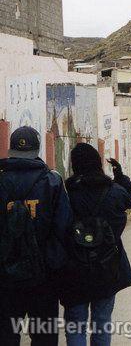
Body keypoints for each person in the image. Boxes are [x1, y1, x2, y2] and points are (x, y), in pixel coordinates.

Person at [0, 126, 72, 346]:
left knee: (6, 334)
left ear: (11, 149)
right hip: (44, 276)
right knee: (44, 336)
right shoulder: (52, 181)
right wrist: (54, 262)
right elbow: (64, 227)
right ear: (37, 150)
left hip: (5, 275)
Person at [61, 143, 131, 346]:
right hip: (107, 268)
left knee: (76, 325)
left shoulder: (66, 194)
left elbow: (59, 228)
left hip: (74, 269)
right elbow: (130, 199)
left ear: (74, 165)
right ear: (97, 163)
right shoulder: (114, 191)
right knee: (102, 324)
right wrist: (119, 175)